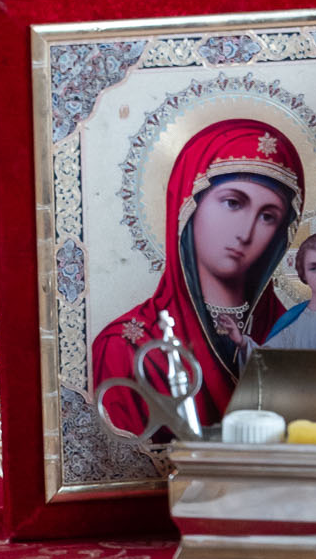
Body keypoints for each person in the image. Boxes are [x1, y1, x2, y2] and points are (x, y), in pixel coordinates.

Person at [91, 118, 304, 437]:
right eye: (233, 203)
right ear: (188, 206)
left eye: (267, 216)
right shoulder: (126, 346)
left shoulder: (291, 334)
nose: (246, 233)